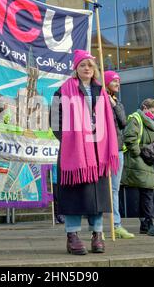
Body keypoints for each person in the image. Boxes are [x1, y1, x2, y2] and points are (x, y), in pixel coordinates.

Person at [50, 49, 119, 255]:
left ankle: (97, 234)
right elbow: (54, 121)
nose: (86, 68)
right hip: (74, 153)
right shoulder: (62, 90)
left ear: (95, 69)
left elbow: (112, 122)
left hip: (98, 151)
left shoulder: (102, 92)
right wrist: (72, 140)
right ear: (76, 68)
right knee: (73, 196)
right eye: (82, 65)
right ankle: (72, 236)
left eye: (90, 65)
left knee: (96, 196)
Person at [122, 98, 154, 237]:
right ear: (144, 107)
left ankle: (144, 224)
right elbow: (129, 137)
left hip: (147, 161)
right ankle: (151, 224)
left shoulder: (150, 123)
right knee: (147, 193)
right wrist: (140, 153)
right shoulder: (136, 118)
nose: (153, 115)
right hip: (140, 161)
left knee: (145, 194)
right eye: (151, 111)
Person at [104, 70, 134, 239]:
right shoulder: (99, 99)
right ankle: (98, 226)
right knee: (101, 188)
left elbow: (123, 123)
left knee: (114, 188)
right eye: (114, 81)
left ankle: (116, 225)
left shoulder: (118, 103)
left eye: (118, 81)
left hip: (117, 150)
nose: (117, 84)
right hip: (102, 149)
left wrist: (114, 105)